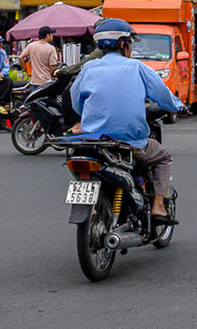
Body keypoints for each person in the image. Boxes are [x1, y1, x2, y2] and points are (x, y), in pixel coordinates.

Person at [69, 18, 184, 223]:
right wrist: (178, 106)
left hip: (93, 141)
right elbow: (163, 96)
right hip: (129, 141)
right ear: (124, 44)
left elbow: (76, 103)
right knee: (163, 156)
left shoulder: (88, 69)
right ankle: (158, 207)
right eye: (131, 43)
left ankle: (94, 209)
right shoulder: (137, 68)